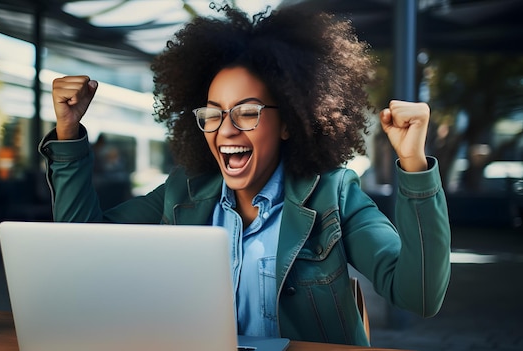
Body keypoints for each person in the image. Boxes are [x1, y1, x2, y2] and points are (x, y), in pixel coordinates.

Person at [38, 2, 450, 346]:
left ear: (289, 121)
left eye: (248, 112)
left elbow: (420, 295)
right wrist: (68, 133)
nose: (226, 129)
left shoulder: (334, 195)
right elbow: (81, 246)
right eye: (213, 114)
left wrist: (414, 163)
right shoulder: (182, 193)